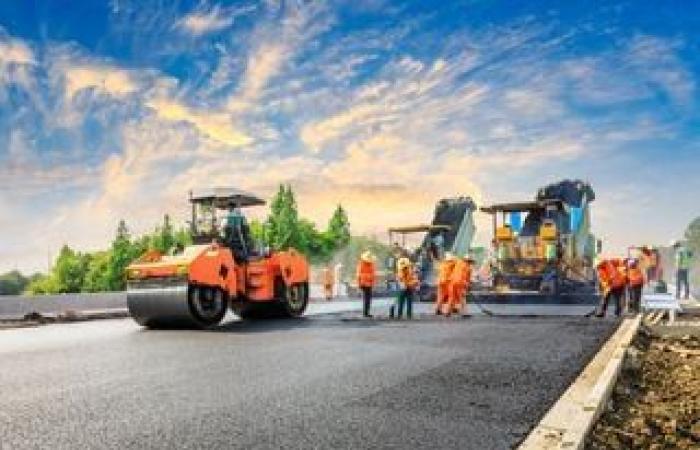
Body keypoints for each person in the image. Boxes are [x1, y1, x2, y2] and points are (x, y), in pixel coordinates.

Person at [356, 251, 376, 318]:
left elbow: (373, 275)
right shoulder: (361, 264)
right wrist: (359, 284)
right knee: (366, 298)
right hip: (364, 284)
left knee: (368, 299)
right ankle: (365, 313)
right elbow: (358, 275)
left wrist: (372, 283)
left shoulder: (371, 264)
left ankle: (366, 312)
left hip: (369, 284)